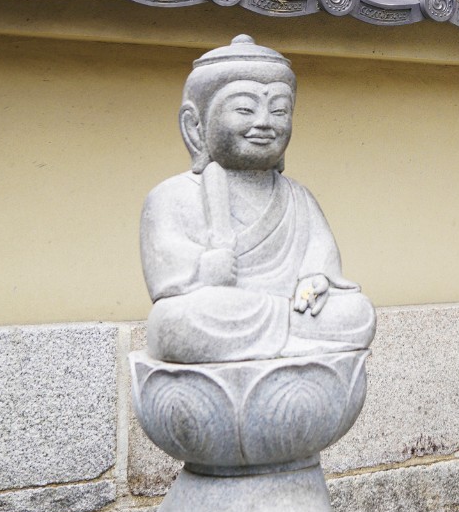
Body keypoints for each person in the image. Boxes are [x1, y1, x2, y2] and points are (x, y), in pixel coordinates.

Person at [140, 35, 375, 364]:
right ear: (195, 126)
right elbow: (165, 273)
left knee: (356, 312)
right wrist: (204, 268)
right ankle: (288, 342)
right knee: (174, 322)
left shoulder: (298, 197)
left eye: (279, 110)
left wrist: (316, 280)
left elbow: (320, 260)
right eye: (244, 109)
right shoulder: (172, 196)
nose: (264, 122)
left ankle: (284, 341)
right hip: (223, 312)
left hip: (288, 311)